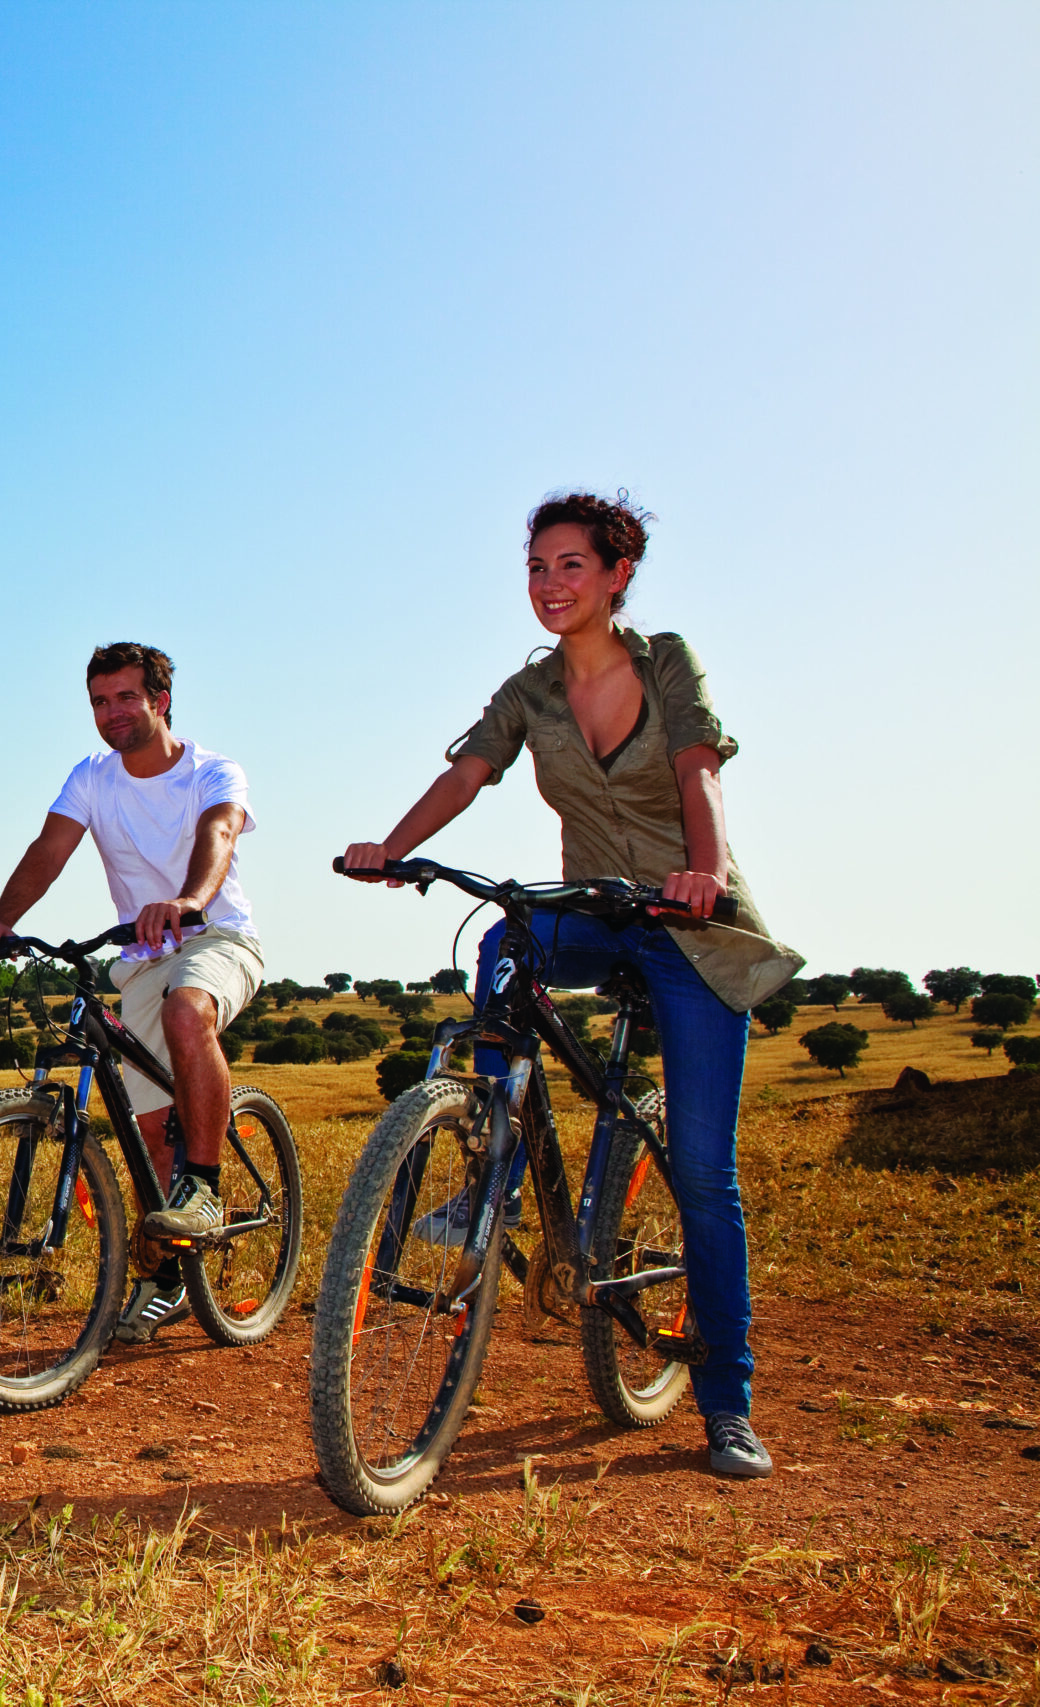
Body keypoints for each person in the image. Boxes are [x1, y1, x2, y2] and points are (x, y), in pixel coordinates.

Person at [340, 491, 801, 1481]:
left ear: (616, 574)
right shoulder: (531, 691)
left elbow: (697, 773)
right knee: (505, 941)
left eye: (570, 567)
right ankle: (489, 1160)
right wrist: (393, 848)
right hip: (595, 914)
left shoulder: (666, 662)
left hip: (689, 927)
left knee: (704, 1179)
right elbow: (468, 773)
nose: (550, 585)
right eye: (536, 568)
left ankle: (726, 1403)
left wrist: (704, 873)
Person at [0, 642, 264, 1344]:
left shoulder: (212, 770)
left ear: (160, 700)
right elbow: (50, 847)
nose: (110, 713)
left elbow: (217, 833)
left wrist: (187, 900)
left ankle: (206, 1187)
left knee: (188, 1011)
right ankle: (165, 1279)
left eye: (125, 697)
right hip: (140, 960)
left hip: (215, 937)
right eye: (99, 701)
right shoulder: (93, 778)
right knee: (149, 1132)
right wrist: (3, 918)